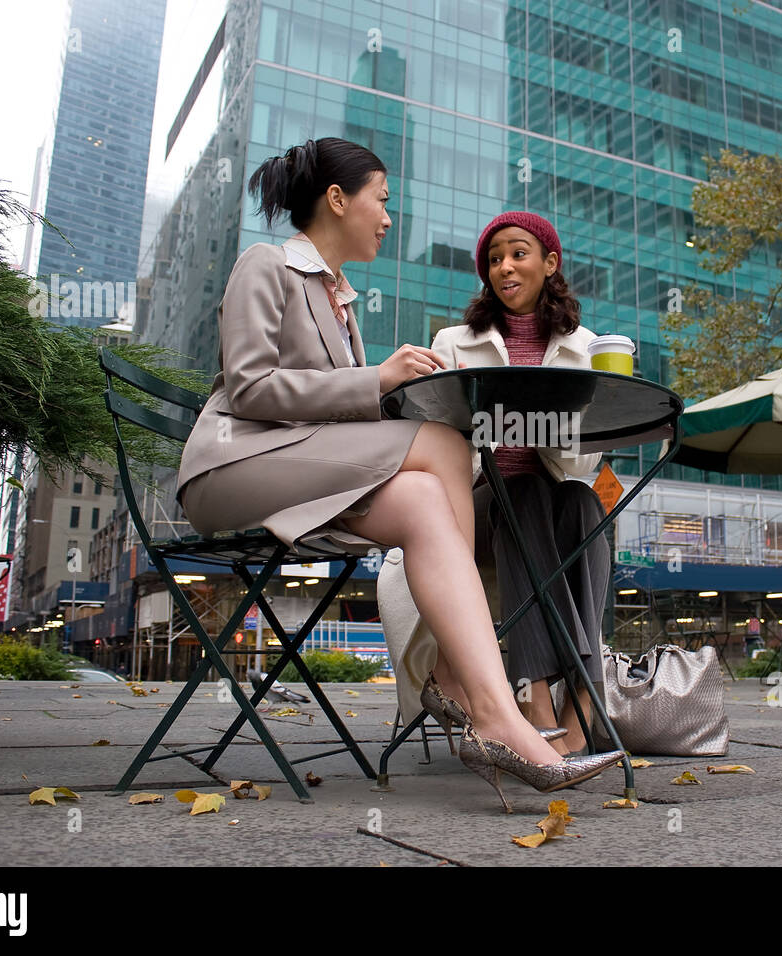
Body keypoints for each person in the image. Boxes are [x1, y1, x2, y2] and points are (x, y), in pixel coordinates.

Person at [174, 138, 622, 810]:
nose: (387, 218)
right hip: (235, 466)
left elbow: (348, 421)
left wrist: (382, 391)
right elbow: (249, 388)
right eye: (381, 201)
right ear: (336, 199)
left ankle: (482, 704)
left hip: (309, 480)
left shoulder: (342, 303)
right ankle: (479, 695)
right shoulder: (266, 265)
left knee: (420, 496)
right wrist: (376, 380)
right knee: (441, 445)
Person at [378, 212, 610, 757]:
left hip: (548, 512)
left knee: (583, 500)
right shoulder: (455, 341)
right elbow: (432, 434)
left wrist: (544, 421)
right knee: (520, 490)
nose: (505, 267)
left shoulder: (587, 347)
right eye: (495, 259)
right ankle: (537, 704)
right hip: (470, 512)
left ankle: (583, 689)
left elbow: (581, 463)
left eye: (518, 253)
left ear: (550, 263)